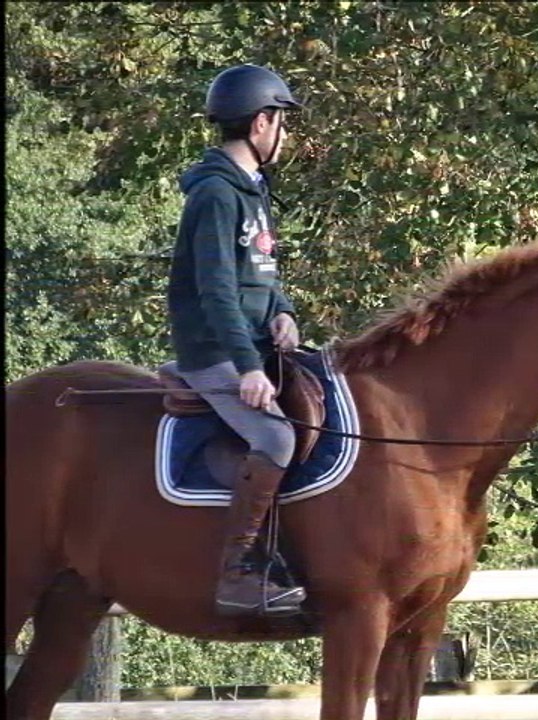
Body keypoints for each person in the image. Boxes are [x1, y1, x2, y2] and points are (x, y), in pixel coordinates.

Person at [167, 64, 306, 617]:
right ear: (261, 122)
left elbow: (262, 272)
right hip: (216, 353)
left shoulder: (253, 190)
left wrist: (285, 312)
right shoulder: (216, 196)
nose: (285, 135)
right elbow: (217, 291)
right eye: (282, 122)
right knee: (275, 439)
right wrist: (247, 367)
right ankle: (240, 572)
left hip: (255, 343)